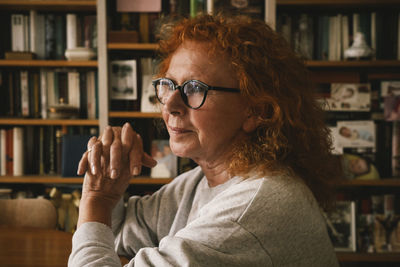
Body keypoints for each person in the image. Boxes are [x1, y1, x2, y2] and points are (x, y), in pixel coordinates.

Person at [69, 14, 343, 266]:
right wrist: (105, 187)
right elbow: (115, 232)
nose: (171, 105)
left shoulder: (250, 212)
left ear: (258, 110)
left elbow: (96, 231)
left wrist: (95, 198)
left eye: (195, 88)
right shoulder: (199, 182)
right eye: (168, 85)